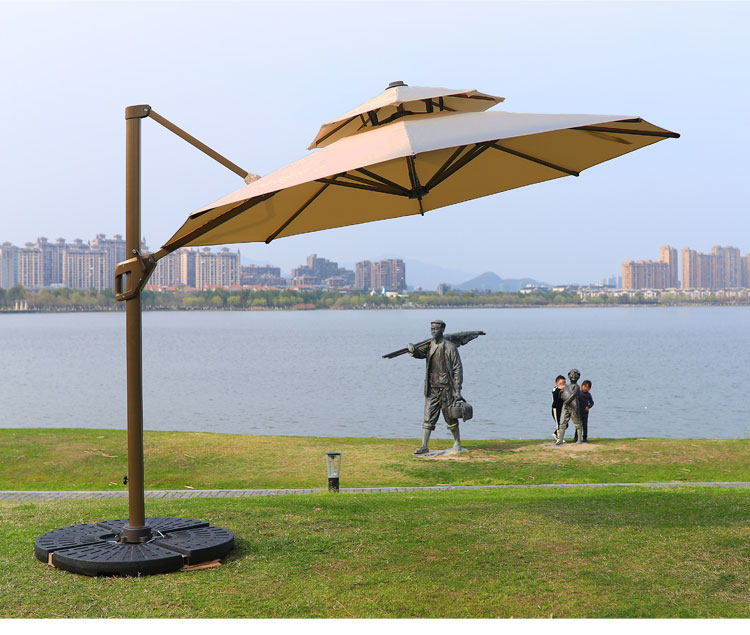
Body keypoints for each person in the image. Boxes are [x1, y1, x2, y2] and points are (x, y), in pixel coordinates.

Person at [408, 319, 464, 455]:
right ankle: (424, 446)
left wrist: (457, 390)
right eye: (432, 329)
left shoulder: (450, 347)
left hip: (446, 389)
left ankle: (457, 442)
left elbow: (457, 369)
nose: (433, 331)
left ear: (442, 329)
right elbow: (420, 353)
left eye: (436, 329)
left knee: (451, 417)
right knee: (428, 417)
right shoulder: (429, 345)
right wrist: (412, 350)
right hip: (432, 388)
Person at [556, 368, 584, 445]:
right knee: (562, 423)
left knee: (577, 423)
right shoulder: (566, 386)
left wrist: (566, 401)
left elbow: (573, 395)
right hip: (565, 407)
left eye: (575, 375)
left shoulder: (577, 387)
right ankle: (560, 440)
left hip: (574, 406)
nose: (573, 377)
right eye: (571, 375)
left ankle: (579, 439)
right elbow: (561, 394)